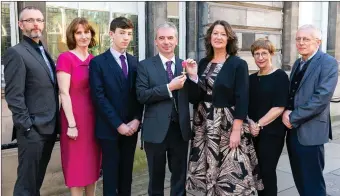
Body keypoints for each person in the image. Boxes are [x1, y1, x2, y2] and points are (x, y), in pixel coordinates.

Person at [186, 20, 263, 195]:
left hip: (227, 123)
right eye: (215, 33)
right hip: (204, 123)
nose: (218, 37)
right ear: (210, 37)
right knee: (208, 166)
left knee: (232, 170)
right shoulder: (203, 62)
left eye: (223, 34)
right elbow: (194, 98)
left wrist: (237, 130)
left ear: (229, 39)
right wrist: (192, 77)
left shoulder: (238, 64)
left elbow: (242, 98)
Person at [136, 21, 199, 196]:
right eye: (162, 38)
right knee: (156, 179)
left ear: (176, 40)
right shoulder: (145, 65)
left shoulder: (185, 65)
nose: (166, 42)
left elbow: (195, 98)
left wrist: (194, 77)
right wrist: (168, 87)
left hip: (180, 131)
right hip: (155, 131)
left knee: (179, 178)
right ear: (155, 41)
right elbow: (141, 95)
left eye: (170, 38)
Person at [3, 6, 59, 196]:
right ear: (20, 25)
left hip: (49, 128)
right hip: (32, 131)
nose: (36, 24)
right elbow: (14, 95)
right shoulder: (16, 53)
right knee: (26, 185)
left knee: (36, 182)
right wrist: (27, 126)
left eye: (39, 20)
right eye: (30, 20)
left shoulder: (43, 51)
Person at [89, 17, 143, 196]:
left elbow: (138, 95)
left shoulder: (135, 62)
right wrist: (118, 124)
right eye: (122, 33)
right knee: (111, 177)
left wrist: (136, 119)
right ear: (111, 34)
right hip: (109, 129)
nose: (126, 37)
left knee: (127, 175)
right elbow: (99, 97)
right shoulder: (98, 63)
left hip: (131, 128)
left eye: (129, 34)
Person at [282, 24, 338, 196]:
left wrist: (293, 117)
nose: (301, 42)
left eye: (306, 39)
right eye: (298, 39)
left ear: (318, 42)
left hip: (311, 131)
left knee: (313, 182)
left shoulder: (328, 63)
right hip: (293, 132)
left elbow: (321, 98)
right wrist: (285, 111)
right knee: (300, 178)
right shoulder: (298, 63)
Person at [56, 17, 101, 196]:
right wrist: (72, 124)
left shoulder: (95, 60)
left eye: (87, 32)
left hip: (94, 120)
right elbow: (64, 93)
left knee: (92, 164)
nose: (83, 36)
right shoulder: (65, 58)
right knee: (76, 166)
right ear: (72, 36)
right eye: (79, 32)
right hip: (74, 119)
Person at [248, 38, 289, 196]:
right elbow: (245, 104)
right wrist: (251, 123)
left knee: (267, 171)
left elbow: (279, 107)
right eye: (256, 54)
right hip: (252, 132)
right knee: (255, 172)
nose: (260, 57)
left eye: (264, 53)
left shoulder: (280, 76)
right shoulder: (251, 79)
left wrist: (258, 125)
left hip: (272, 133)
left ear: (271, 54)